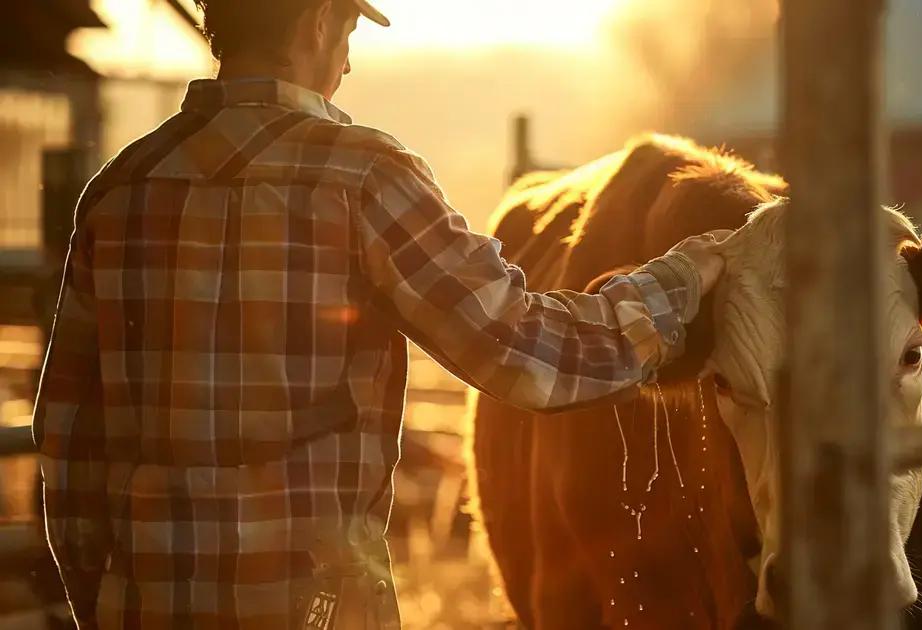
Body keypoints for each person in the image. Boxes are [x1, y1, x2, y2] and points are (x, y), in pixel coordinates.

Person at [33, 0, 730, 627]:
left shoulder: (120, 190)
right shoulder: (364, 178)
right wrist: (676, 283)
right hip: (315, 613)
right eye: (347, 31)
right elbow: (528, 353)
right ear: (316, 20)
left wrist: (106, 604)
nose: (349, 58)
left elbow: (68, 442)